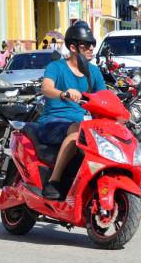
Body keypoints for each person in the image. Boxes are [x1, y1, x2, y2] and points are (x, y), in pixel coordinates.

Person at [37, 21, 106, 200]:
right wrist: (64, 94)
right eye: (86, 45)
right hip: (52, 123)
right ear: (73, 47)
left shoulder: (94, 71)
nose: (91, 48)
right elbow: (46, 88)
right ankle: (53, 181)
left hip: (79, 124)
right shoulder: (57, 67)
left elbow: (104, 97)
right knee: (79, 131)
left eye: (93, 44)